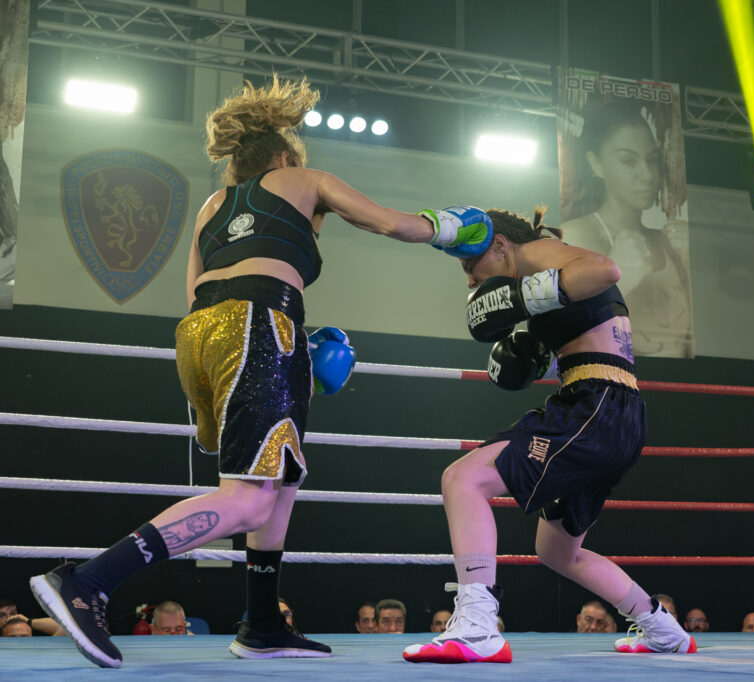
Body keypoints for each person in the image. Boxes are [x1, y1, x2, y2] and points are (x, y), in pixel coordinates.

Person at [28, 74, 490, 669]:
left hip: (203, 335)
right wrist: (454, 227)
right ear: (283, 155)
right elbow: (390, 223)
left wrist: (281, 343)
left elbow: (195, 292)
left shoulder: (212, 206)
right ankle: (89, 581)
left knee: (283, 476)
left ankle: (262, 623)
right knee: (247, 500)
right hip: (259, 326)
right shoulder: (304, 178)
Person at [404, 207, 695, 664]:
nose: (468, 280)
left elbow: (606, 269)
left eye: (469, 264)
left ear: (500, 245)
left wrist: (518, 298)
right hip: (612, 410)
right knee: (557, 551)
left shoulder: (537, 254)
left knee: (464, 479)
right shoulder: (546, 279)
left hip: (594, 405)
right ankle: (663, 628)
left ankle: (478, 626)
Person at [561, 101, 693, 359]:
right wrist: (617, 276)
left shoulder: (669, 242)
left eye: (652, 160)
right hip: (609, 381)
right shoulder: (577, 235)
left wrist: (687, 263)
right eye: (628, 161)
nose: (646, 174)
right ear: (596, 165)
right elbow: (566, 325)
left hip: (678, 386)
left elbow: (685, 342)